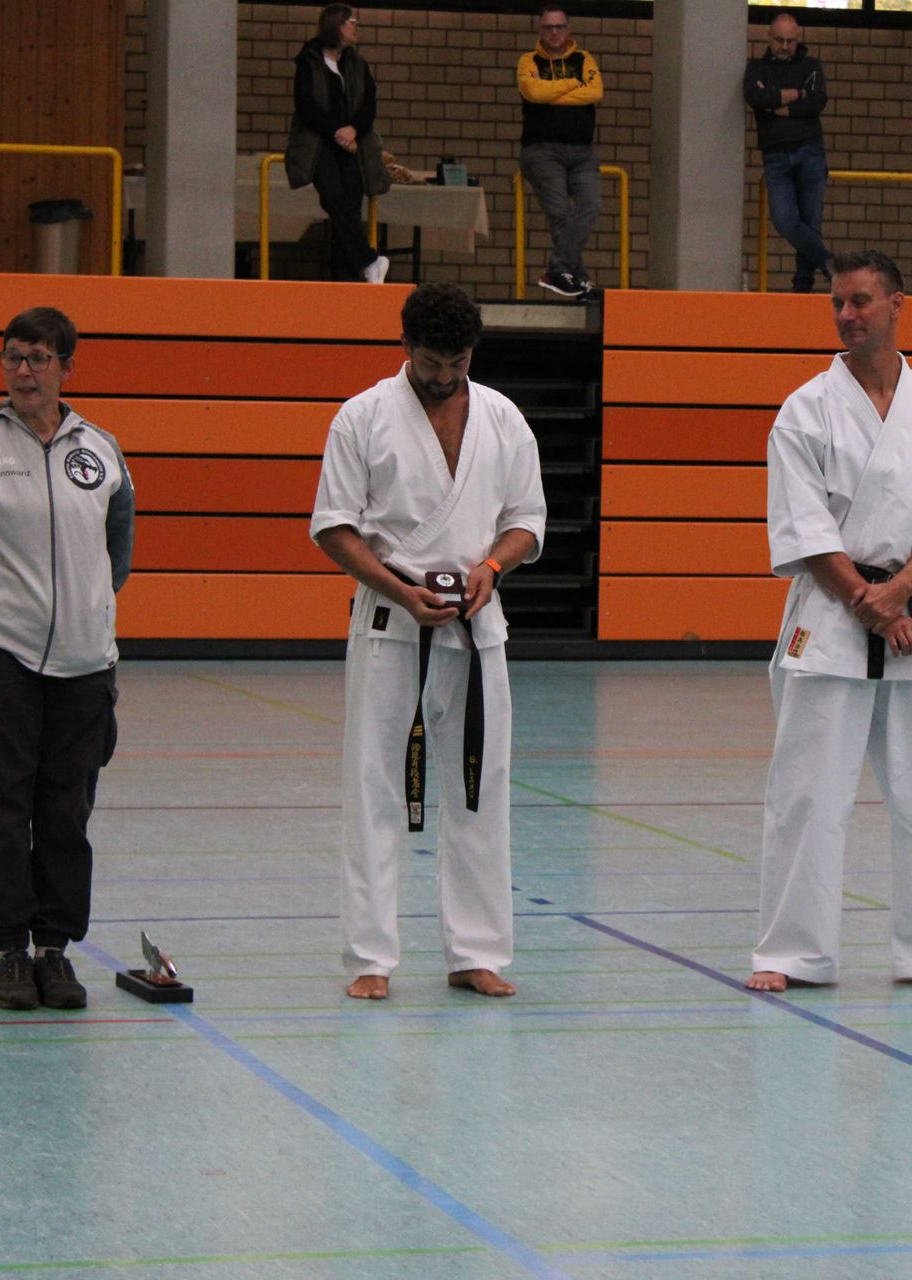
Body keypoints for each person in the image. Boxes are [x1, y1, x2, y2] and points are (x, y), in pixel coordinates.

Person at [747, 250, 912, 994]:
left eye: (860, 301)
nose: (847, 316)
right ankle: (792, 953)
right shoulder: (805, 408)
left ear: (896, 304)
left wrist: (901, 592)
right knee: (808, 793)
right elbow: (804, 523)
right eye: (837, 304)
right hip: (831, 613)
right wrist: (869, 603)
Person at [310, 284, 547, 1001]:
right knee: (374, 787)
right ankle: (370, 957)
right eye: (432, 361)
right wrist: (397, 588)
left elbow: (527, 520)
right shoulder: (362, 417)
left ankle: (475, 952)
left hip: (477, 629)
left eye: (458, 362)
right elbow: (334, 526)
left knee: (480, 785)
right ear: (406, 345)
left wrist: (493, 567)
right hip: (392, 624)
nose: (445, 375)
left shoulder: (503, 418)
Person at [0, 307, 134, 1011]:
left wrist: (86, 611)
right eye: (13, 357)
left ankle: (55, 949)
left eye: (39, 358)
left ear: (67, 368)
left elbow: (117, 551)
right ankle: (11, 949)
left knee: (67, 811)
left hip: (85, 663)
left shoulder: (101, 450)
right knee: (4, 807)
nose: (23, 371)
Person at [286, 3, 391, 284]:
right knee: (333, 198)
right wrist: (338, 133)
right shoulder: (309, 60)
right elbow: (306, 106)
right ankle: (369, 260)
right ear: (337, 25)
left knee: (350, 207)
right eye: (351, 22)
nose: (356, 27)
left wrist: (353, 129)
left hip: (351, 147)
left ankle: (347, 278)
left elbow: (368, 104)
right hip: (320, 146)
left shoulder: (357, 64)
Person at [517, 4, 604, 300]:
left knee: (590, 205)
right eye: (548, 27)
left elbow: (595, 92)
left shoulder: (584, 59)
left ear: (568, 29)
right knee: (560, 214)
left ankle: (560, 271)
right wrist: (572, 85)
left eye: (559, 27)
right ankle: (578, 280)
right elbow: (533, 92)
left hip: (582, 151)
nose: (554, 32)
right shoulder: (528, 61)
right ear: (539, 30)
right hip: (542, 150)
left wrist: (551, 93)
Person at [745, 10, 831, 294]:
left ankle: (803, 285)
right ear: (768, 37)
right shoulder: (756, 68)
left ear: (799, 38)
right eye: (779, 40)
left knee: (810, 221)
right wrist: (798, 94)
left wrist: (776, 105)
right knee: (784, 220)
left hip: (810, 150)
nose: (784, 47)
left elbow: (816, 103)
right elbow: (756, 98)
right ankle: (830, 264)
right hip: (776, 155)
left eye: (790, 42)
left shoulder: (812, 66)